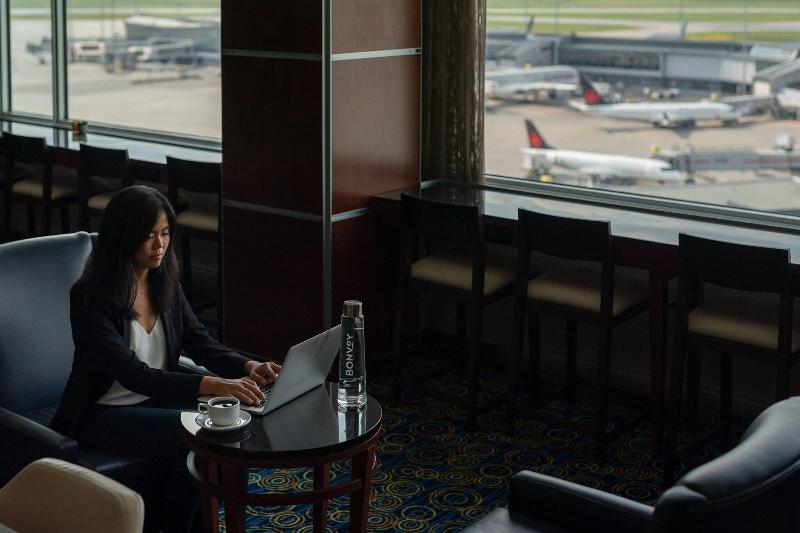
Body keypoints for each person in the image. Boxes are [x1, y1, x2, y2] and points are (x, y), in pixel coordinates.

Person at [51, 185, 280, 533]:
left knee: (223, 444)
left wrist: (247, 366)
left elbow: (198, 341)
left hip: (157, 402)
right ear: (123, 236)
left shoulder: (165, 281)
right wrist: (213, 384)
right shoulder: (91, 297)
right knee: (208, 437)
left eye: (166, 233)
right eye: (149, 235)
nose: (159, 245)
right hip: (101, 414)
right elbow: (134, 374)